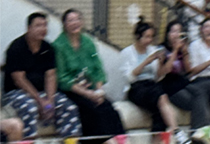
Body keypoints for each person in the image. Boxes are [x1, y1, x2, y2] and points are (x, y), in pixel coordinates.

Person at [3, 13, 82, 139]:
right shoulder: (16, 48)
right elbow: (19, 80)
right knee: (30, 108)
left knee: (69, 107)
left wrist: (49, 101)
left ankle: (70, 141)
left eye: (45, 25)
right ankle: (30, 141)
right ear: (29, 28)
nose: (43, 29)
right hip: (16, 93)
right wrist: (40, 101)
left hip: (43, 93)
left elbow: (51, 76)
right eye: (38, 25)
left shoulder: (47, 48)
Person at [53, 9, 124, 144]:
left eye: (78, 19)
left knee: (109, 109)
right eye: (71, 20)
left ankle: (121, 141)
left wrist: (98, 91)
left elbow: (98, 68)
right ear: (64, 24)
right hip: (72, 91)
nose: (75, 23)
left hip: (91, 88)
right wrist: (87, 94)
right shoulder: (58, 46)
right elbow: (62, 78)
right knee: (91, 111)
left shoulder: (88, 42)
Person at [120, 18, 190, 144]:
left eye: (151, 37)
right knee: (161, 96)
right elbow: (130, 77)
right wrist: (147, 61)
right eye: (147, 37)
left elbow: (159, 76)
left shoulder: (153, 50)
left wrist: (162, 61)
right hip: (135, 87)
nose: (149, 40)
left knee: (160, 112)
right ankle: (176, 131)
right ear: (138, 37)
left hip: (151, 85)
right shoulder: (127, 52)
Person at [160, 21, 210, 130]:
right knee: (195, 102)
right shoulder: (162, 49)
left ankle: (200, 129)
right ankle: (198, 130)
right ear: (168, 34)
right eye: (173, 31)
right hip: (169, 85)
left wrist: (184, 51)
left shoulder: (183, 48)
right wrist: (175, 50)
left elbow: (188, 70)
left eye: (179, 32)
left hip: (183, 82)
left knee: (201, 93)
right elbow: (166, 71)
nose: (176, 35)